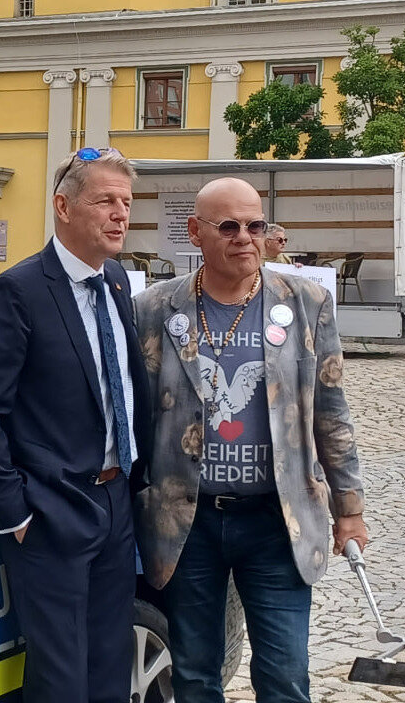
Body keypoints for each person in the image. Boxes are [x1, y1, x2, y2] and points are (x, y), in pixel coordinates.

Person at [133, 177, 368, 703]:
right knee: (194, 672)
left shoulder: (307, 304)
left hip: (275, 520)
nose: (245, 237)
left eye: (255, 225)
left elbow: (331, 411)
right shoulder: (153, 309)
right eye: (229, 226)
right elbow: (135, 415)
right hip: (186, 522)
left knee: (284, 672)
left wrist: (349, 506)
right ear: (196, 231)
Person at [0, 148, 150, 703]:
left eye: (126, 203)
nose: (120, 215)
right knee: (61, 681)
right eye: (105, 201)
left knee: (111, 667)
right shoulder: (17, 291)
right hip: (51, 512)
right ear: (63, 206)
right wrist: (13, 509)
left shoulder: (114, 281)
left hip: (115, 503)